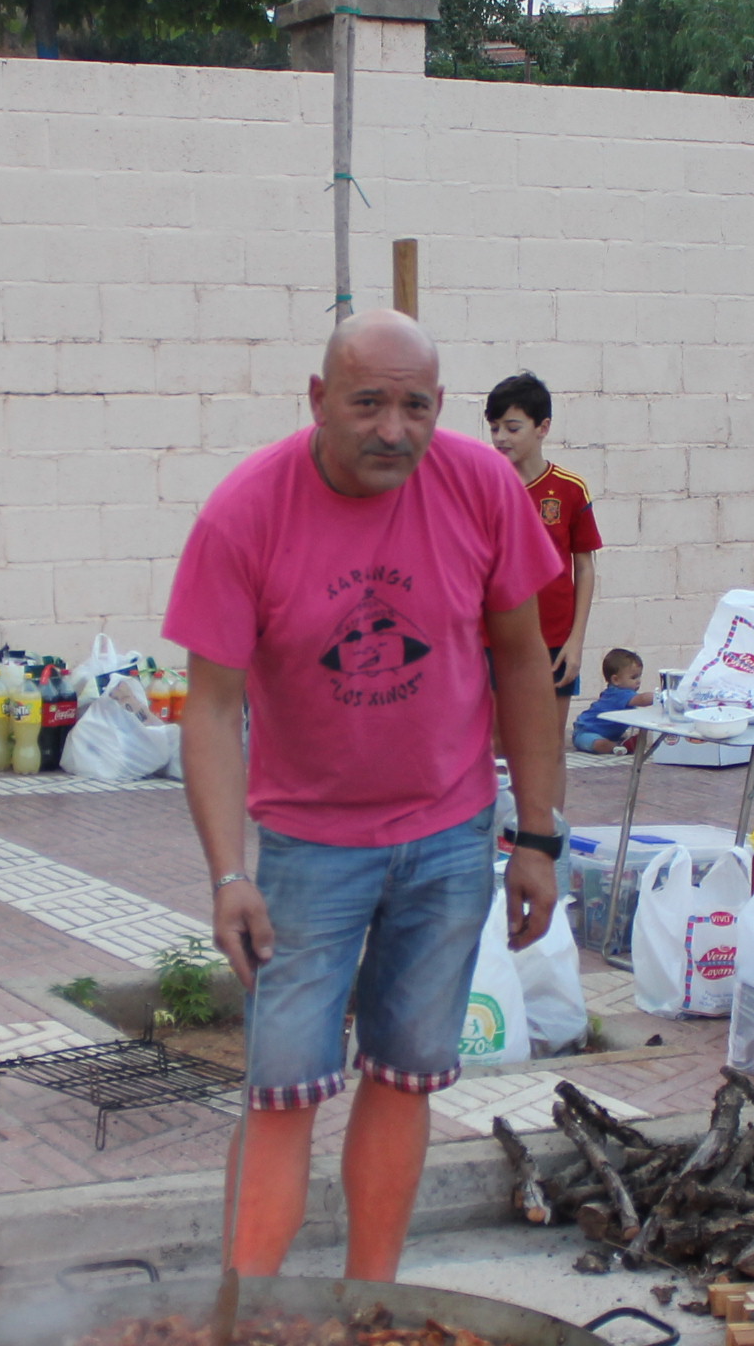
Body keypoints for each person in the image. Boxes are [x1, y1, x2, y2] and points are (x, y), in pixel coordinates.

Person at [169, 310, 565, 1283]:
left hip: (450, 834)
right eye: (368, 404)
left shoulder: (482, 488)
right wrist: (228, 874)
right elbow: (210, 709)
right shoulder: (246, 513)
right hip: (309, 849)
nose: (394, 430)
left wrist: (538, 836)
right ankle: (245, 1317)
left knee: (406, 1072)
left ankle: (369, 1303)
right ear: (318, 400)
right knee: (284, 1087)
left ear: (441, 406)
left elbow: (525, 662)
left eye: (416, 407)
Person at [485, 372, 602, 733]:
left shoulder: (570, 489)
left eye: (512, 428)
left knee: (548, 748)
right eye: (494, 428)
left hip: (554, 642)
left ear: (543, 427)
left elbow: (584, 567)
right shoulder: (481, 486)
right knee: (497, 752)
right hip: (491, 640)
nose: (501, 438)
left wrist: (576, 641)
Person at [573, 647, 651, 755]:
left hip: (608, 735)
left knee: (608, 741)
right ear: (616, 680)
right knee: (599, 744)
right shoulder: (618, 694)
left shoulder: (624, 694)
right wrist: (661, 696)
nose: (638, 681)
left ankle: (619, 745)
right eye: (633, 677)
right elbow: (643, 699)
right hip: (586, 732)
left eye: (639, 676)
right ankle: (619, 747)